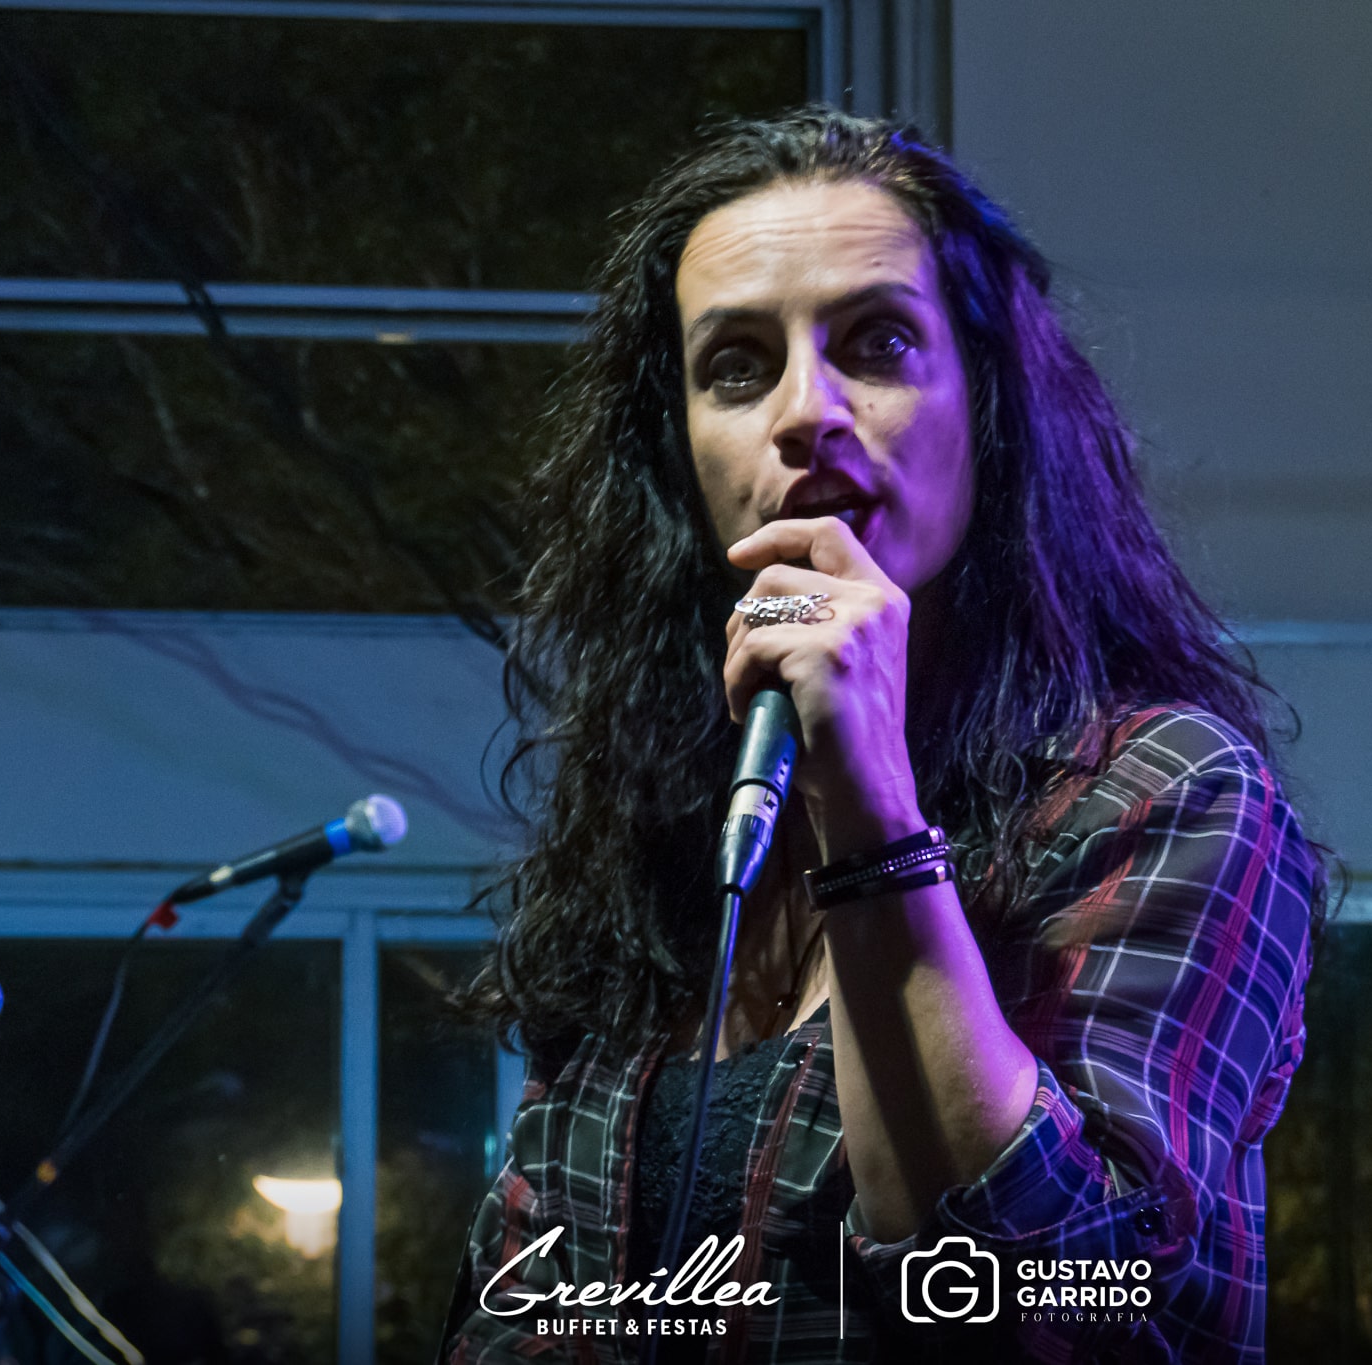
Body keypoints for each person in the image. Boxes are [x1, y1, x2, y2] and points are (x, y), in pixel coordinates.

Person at [440, 106, 1325, 1364]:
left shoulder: (1160, 792)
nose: (804, 411)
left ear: (989, 406)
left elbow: (1055, 1309)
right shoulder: (666, 842)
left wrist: (869, 812)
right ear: (680, 454)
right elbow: (519, 1303)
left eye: (877, 343)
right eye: (734, 366)